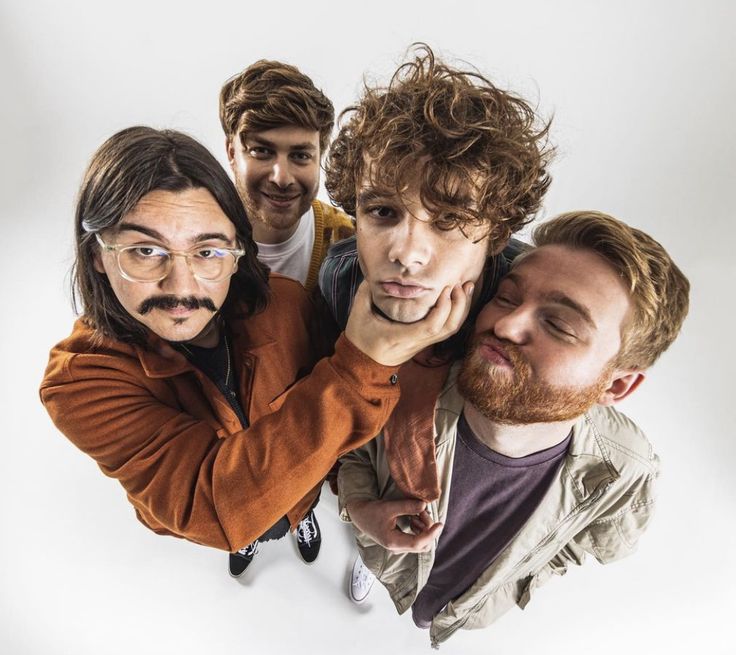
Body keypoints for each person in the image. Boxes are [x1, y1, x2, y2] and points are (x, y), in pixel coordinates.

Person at [39, 127, 473, 580]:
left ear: (236, 251)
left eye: (207, 251)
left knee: (293, 505)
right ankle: (251, 542)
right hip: (227, 519)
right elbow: (213, 506)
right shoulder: (79, 381)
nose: (182, 287)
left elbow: (336, 435)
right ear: (96, 255)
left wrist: (355, 504)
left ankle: (299, 517)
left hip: (300, 491)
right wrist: (364, 363)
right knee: (245, 528)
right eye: (145, 251)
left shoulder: (285, 303)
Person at [337, 211, 690, 646]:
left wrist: (525, 574)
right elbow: (353, 449)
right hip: (382, 552)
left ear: (617, 383)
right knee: (379, 555)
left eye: (558, 324)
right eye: (506, 297)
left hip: (470, 606)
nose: (504, 326)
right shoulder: (403, 383)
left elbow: (591, 542)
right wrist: (359, 511)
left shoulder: (626, 469)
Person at [318, 43, 552, 600]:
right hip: (386, 454)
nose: (407, 253)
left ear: (494, 236)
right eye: (382, 212)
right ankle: (373, 554)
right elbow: (343, 406)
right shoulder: (342, 275)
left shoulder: (521, 304)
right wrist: (357, 507)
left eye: (448, 220)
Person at [220, 60, 354, 292]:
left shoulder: (350, 244)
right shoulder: (195, 240)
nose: (282, 178)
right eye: (262, 151)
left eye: (300, 155)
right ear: (232, 153)